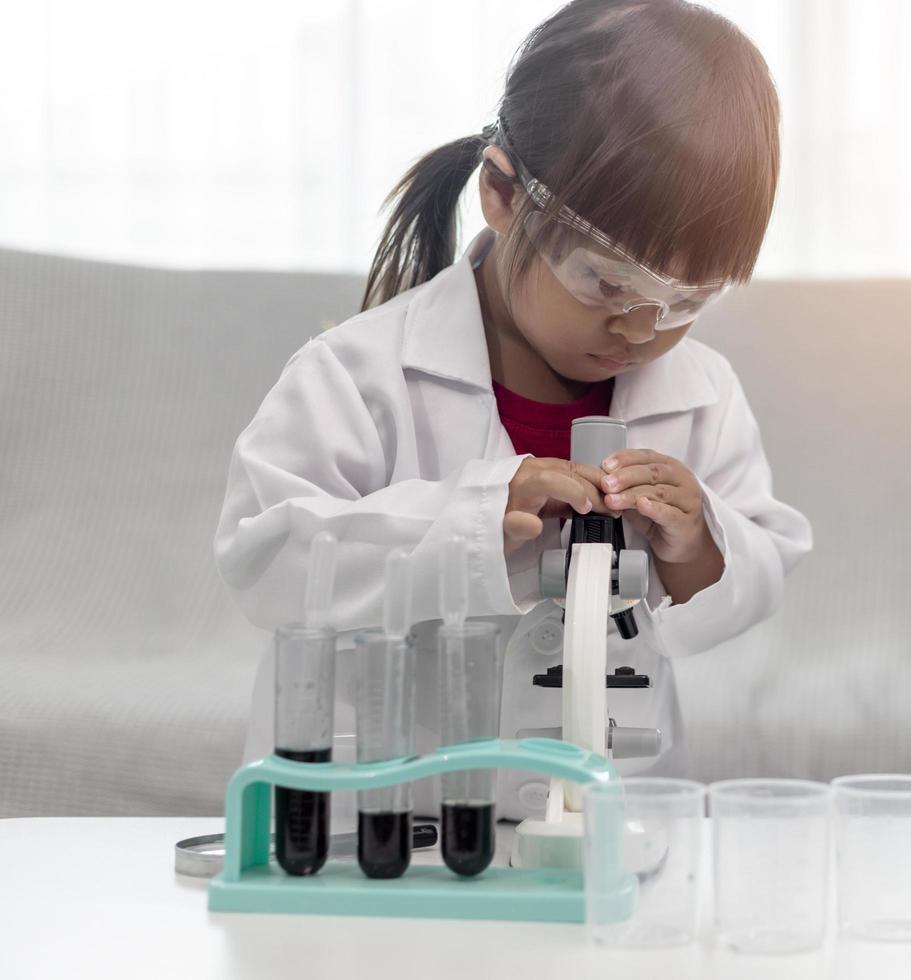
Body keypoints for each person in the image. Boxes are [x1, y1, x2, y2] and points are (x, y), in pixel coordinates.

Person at [214, 0, 812, 824]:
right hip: (389, 812)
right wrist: (467, 525)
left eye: (686, 302)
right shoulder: (358, 374)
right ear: (502, 194)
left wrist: (699, 540)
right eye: (608, 282)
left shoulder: (702, 393)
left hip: (602, 812)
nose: (642, 328)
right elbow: (265, 560)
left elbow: (756, 568)